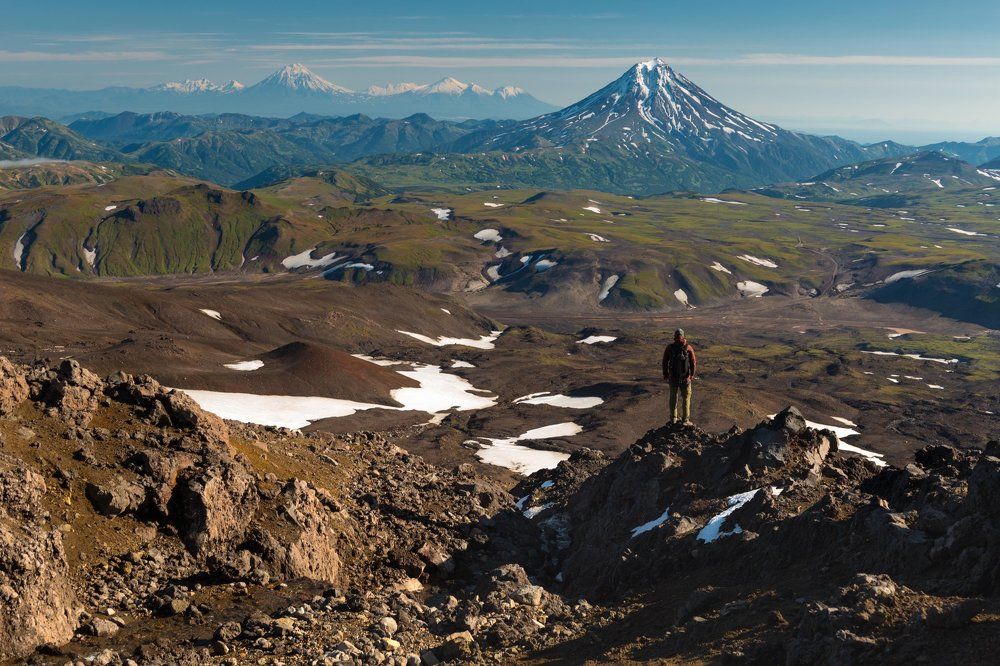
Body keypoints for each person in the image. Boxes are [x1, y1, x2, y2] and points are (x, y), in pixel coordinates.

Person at [662, 328, 697, 425]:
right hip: (685, 379)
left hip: (673, 378)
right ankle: (685, 420)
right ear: (683, 336)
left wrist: (665, 374)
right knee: (686, 399)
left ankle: (673, 418)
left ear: (675, 336)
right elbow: (693, 363)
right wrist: (691, 375)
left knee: (673, 398)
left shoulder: (670, 348)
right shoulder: (688, 348)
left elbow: (665, 361)